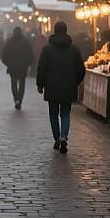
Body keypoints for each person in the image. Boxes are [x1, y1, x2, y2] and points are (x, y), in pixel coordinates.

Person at [37, 21, 85, 154]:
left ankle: (57, 138)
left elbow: (41, 67)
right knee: (65, 113)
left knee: (53, 113)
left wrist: (40, 84)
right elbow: (81, 69)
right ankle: (64, 136)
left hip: (51, 87)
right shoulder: (74, 48)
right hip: (69, 87)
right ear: (66, 30)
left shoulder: (47, 48)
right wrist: (76, 81)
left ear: (54, 30)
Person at [1, 27, 34, 110]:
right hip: (23, 67)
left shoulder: (9, 42)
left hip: (12, 67)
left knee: (14, 84)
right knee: (22, 84)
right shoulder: (26, 42)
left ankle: (16, 99)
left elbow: (4, 55)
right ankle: (20, 99)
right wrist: (28, 64)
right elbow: (31, 55)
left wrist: (8, 63)